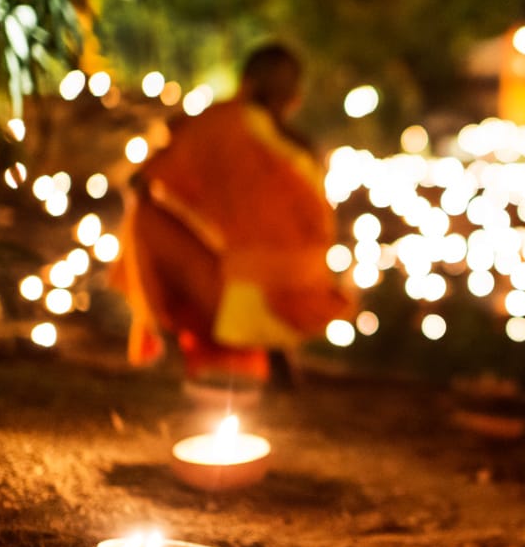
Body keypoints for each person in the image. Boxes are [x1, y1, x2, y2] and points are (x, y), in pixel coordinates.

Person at [111, 43, 351, 387]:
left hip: (246, 302)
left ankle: (165, 343)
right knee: (242, 255)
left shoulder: (224, 122)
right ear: (295, 98)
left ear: (246, 83)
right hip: (306, 303)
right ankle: (274, 346)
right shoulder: (301, 150)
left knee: (144, 219)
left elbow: (141, 182)